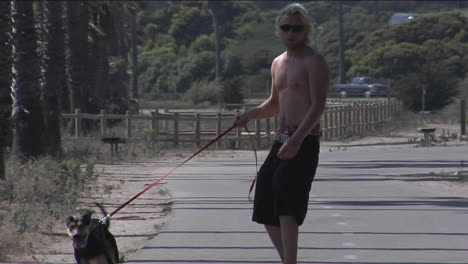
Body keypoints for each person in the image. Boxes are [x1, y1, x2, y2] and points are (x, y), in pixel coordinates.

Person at [233, 3, 329, 264]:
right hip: (281, 139)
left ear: (306, 30)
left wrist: (298, 140)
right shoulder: (278, 62)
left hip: (304, 140)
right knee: (264, 198)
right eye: (286, 28)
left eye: (297, 28)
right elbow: (274, 104)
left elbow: (318, 105)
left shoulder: (314, 61)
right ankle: (287, 260)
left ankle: (290, 262)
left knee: (287, 201)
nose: (291, 33)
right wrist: (248, 115)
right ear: (278, 30)